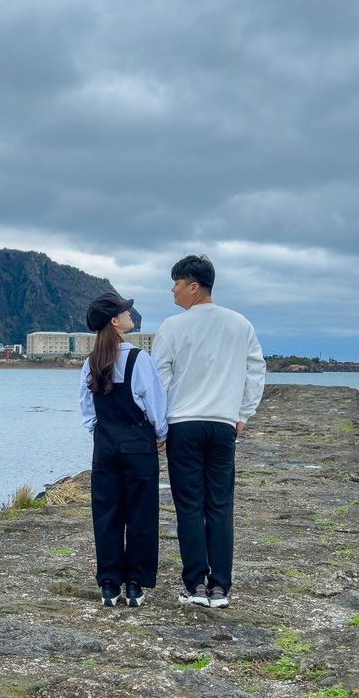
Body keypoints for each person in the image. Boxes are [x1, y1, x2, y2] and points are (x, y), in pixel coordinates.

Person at [152, 255, 265, 609]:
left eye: (177, 283)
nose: (172, 289)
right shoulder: (240, 324)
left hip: (183, 425)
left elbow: (160, 380)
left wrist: (159, 423)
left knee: (188, 507)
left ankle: (195, 586)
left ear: (194, 287)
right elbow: (256, 370)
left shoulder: (172, 326)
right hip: (222, 426)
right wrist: (243, 415)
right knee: (219, 506)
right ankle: (220, 589)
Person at [80, 292, 168, 607]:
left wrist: (102, 434)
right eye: (125, 311)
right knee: (141, 514)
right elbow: (154, 403)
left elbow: (88, 410)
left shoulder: (91, 361)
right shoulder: (139, 359)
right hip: (137, 444)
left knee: (107, 514)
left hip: (104, 446)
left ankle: (108, 584)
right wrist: (161, 433)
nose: (132, 314)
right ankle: (134, 585)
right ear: (115, 321)